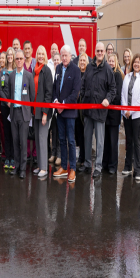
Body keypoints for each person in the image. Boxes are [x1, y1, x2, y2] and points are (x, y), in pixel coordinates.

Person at [80, 42, 116, 178]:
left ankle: (98, 167)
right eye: (98, 51)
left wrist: (107, 99)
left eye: (102, 51)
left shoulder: (108, 69)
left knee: (99, 141)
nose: (100, 53)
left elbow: (113, 89)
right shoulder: (89, 67)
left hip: (100, 112)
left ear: (104, 52)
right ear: (95, 51)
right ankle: (88, 164)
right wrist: (83, 97)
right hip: (88, 111)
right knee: (87, 138)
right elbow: (83, 85)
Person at [52, 45, 81, 183]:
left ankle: (73, 169)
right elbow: (54, 88)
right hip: (59, 112)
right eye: (62, 55)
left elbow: (75, 93)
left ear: (70, 56)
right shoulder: (58, 68)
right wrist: (56, 101)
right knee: (61, 140)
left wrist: (63, 104)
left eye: (66, 55)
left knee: (70, 141)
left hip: (69, 113)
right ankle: (64, 167)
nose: (63, 58)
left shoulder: (76, 70)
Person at [6, 49, 34, 178]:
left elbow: (32, 95)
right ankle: (16, 166)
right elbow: (10, 92)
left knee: (23, 142)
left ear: (24, 59)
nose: (18, 61)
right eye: (16, 59)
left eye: (20, 59)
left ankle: (23, 168)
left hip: (24, 114)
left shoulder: (28, 76)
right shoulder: (11, 76)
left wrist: (29, 111)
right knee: (15, 141)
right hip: (14, 113)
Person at [121, 53, 140, 181]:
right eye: (134, 62)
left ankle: (138, 170)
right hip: (127, 115)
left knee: (137, 142)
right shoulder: (127, 77)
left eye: (138, 62)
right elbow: (123, 95)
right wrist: (125, 110)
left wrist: (130, 111)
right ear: (132, 64)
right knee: (129, 141)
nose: (136, 64)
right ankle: (127, 167)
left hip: (137, 115)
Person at [31, 45, 53, 179]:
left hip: (43, 112)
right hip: (35, 111)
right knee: (37, 139)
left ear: (45, 55)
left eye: (42, 54)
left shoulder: (47, 71)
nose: (40, 56)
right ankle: (40, 165)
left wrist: (45, 113)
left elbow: (48, 93)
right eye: (38, 54)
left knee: (42, 138)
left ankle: (44, 168)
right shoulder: (35, 70)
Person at [103, 53, 124, 175]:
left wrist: (107, 99)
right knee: (106, 140)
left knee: (113, 141)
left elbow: (117, 94)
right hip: (105, 113)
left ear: (116, 62)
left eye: (112, 61)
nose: (110, 63)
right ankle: (105, 163)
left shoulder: (117, 75)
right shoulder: (106, 74)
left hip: (114, 114)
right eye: (109, 61)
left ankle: (112, 165)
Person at [0, 47, 15, 170]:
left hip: (14, 108)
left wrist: (12, 102)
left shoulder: (16, 71)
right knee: (7, 133)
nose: (9, 57)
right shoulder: (3, 72)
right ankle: (7, 158)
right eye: (8, 55)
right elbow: (0, 89)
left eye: (11, 55)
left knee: (14, 133)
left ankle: (13, 158)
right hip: (5, 106)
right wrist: (7, 101)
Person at [75, 53, 88, 171]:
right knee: (78, 134)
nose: (82, 62)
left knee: (85, 135)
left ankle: (84, 158)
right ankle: (80, 157)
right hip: (76, 109)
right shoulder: (76, 73)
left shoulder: (88, 74)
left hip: (85, 110)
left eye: (84, 60)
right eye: (81, 60)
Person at [47, 51, 61, 164]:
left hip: (60, 108)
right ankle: (53, 153)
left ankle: (60, 155)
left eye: (58, 60)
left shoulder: (62, 72)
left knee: (61, 133)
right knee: (54, 132)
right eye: (54, 60)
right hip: (52, 108)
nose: (56, 61)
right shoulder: (51, 72)